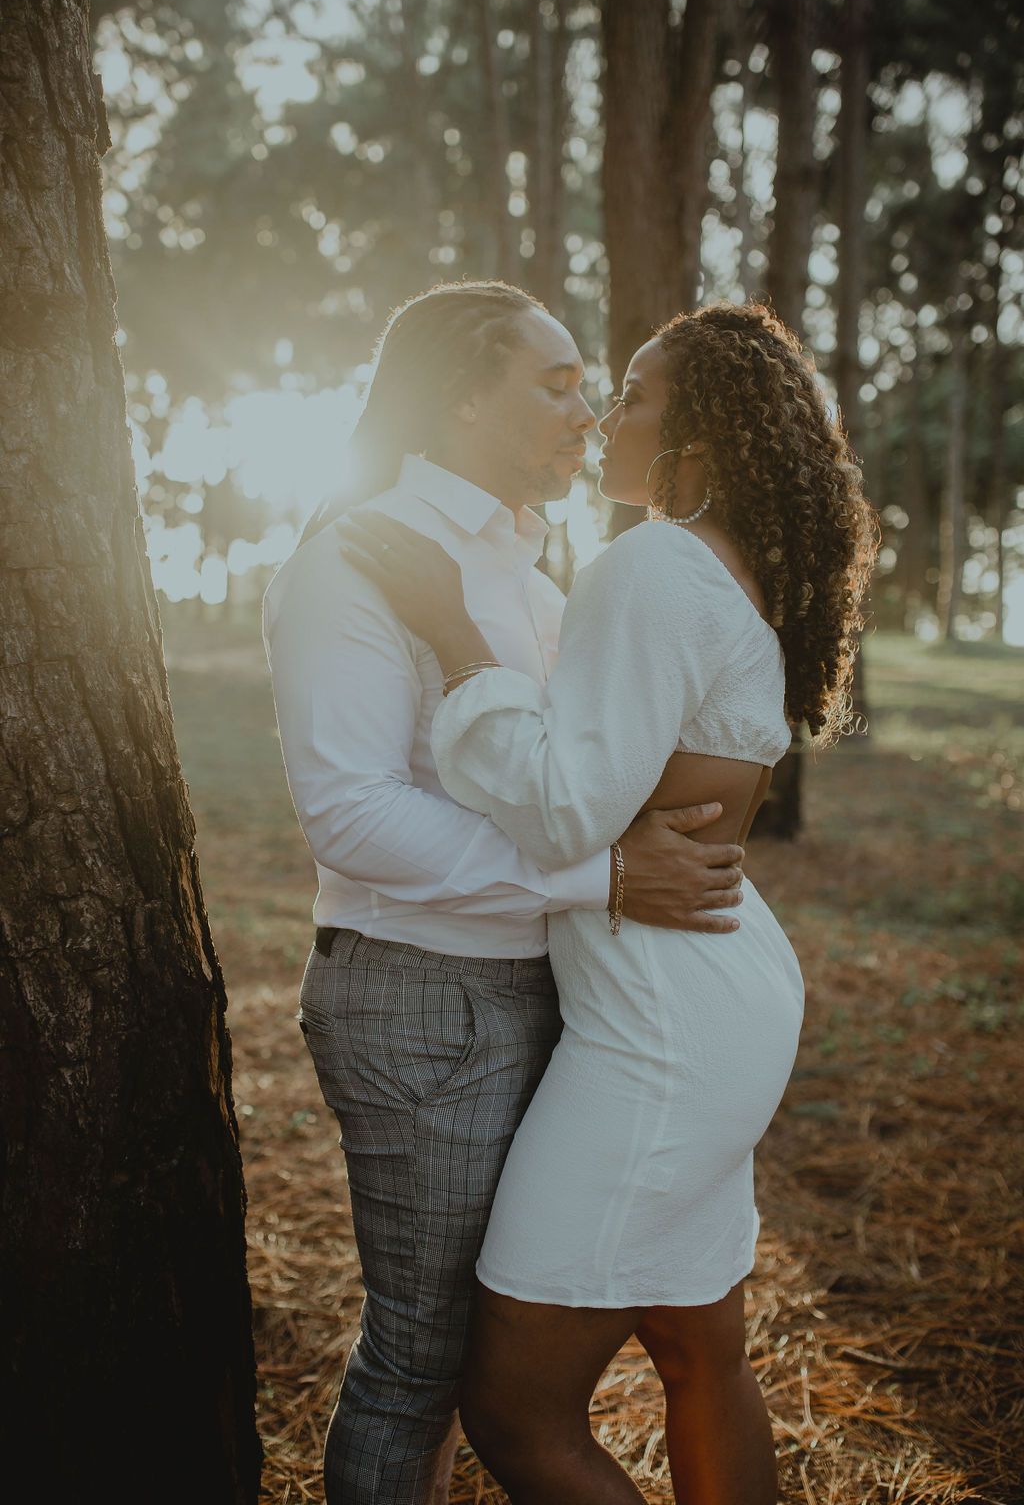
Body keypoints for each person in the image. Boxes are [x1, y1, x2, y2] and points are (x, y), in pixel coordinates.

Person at [338, 299, 878, 1505]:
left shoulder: (652, 564)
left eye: (629, 393)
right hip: (719, 978)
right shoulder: (725, 570)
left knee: (513, 1406)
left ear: (701, 427)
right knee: (698, 1351)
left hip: (662, 1018)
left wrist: (461, 650)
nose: (602, 416)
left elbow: (570, 808)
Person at [262, 280, 754, 1505]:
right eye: (557, 383)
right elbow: (351, 813)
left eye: (594, 386)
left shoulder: (535, 583)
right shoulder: (358, 555)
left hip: (548, 993)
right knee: (417, 1365)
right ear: (459, 397)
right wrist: (604, 877)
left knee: (500, 1354)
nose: (587, 412)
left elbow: (559, 785)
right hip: (425, 1002)